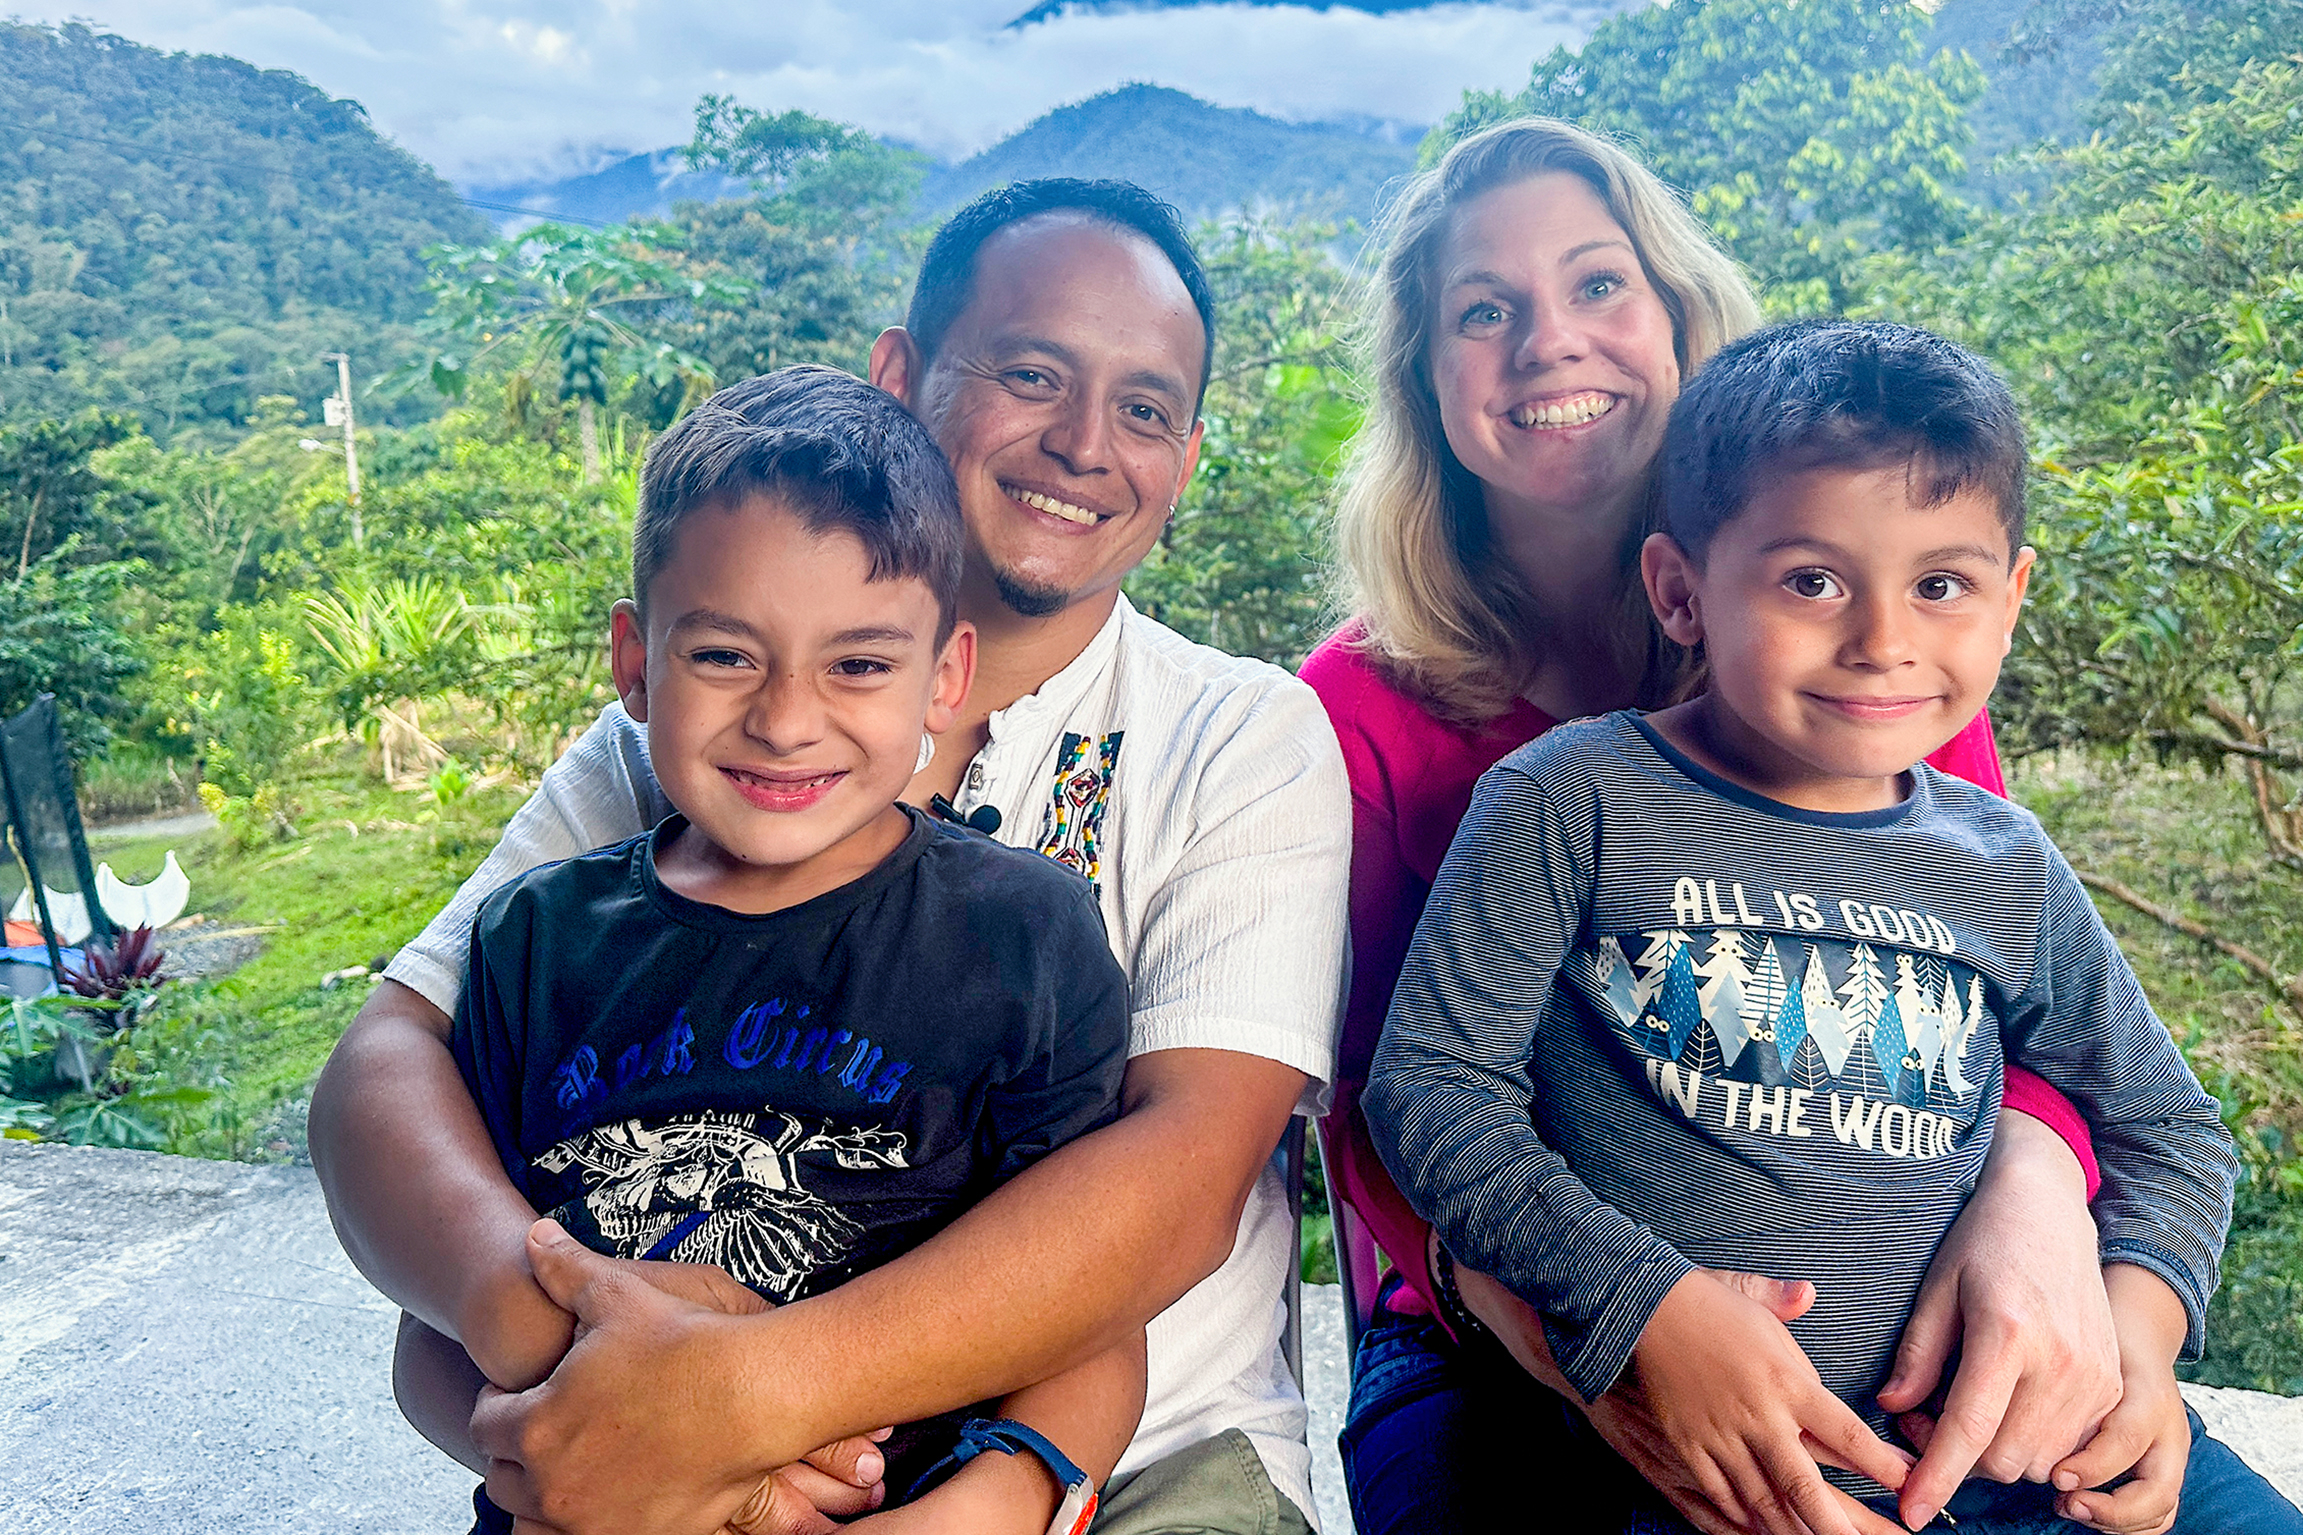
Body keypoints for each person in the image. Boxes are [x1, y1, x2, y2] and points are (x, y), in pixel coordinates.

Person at [309, 178, 1349, 1535]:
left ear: (1188, 454)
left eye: (1144, 408)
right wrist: (558, 1342)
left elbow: (1177, 1181)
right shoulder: (672, 745)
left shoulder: (1236, 736)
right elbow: (391, 1059)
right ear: (899, 377)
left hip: (1132, 1458)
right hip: (640, 1451)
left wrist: (745, 1401)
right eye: (1031, 374)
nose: (1086, 444)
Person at [1298, 118, 2117, 1535]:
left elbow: (2011, 985)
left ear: (1679, 319)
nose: (1548, 341)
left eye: (1597, 284)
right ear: (1424, 379)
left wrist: (2040, 1201)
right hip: (1490, 1321)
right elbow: (1381, 1097)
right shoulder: (1355, 705)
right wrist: (1594, 1340)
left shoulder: (1864, 650)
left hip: (1885, 1296)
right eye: (1483, 311)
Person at [1364, 317, 2295, 1535]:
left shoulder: (2003, 860)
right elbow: (1429, 1090)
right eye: (1810, 581)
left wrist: (2134, 1336)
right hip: (1688, 1470)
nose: (1881, 642)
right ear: (1679, 590)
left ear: (2009, 599)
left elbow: (2168, 1124)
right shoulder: (1572, 799)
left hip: (2011, 1466)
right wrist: (1640, 1303)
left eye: (1939, 585)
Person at [436, 365, 1144, 1533]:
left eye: (857, 663)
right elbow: (443, 1321)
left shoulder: (1026, 936)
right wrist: (571, 1456)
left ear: (944, 676)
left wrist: (986, 1508)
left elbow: (1091, 1309)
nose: (783, 718)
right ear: (634, 662)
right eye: (724, 655)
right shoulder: (534, 941)